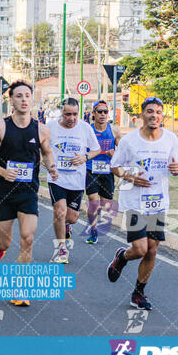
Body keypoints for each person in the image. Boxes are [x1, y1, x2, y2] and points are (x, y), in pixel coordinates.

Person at [0, 80, 58, 307]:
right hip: (4, 191)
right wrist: (1, 170)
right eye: (19, 96)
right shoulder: (0, 127)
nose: (23, 100)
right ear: (11, 100)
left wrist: (51, 166)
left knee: (28, 238)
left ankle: (20, 288)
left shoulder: (41, 129)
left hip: (28, 191)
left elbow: (47, 152)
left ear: (32, 100)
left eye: (27, 96)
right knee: (5, 243)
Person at [107, 96, 178, 311]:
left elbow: (176, 166)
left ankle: (138, 293)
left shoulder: (170, 139)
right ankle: (122, 257)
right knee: (140, 249)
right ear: (141, 115)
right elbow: (115, 167)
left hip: (157, 202)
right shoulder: (130, 141)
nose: (154, 116)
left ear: (163, 116)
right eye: (150, 111)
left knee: (152, 251)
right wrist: (132, 177)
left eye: (158, 112)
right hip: (134, 201)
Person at [47, 98, 100, 264]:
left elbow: (96, 149)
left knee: (72, 217)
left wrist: (85, 157)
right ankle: (61, 249)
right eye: (67, 114)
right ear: (60, 113)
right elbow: (41, 151)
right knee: (60, 212)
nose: (71, 118)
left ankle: (67, 226)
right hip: (57, 178)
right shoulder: (50, 127)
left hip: (77, 179)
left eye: (75, 114)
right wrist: (49, 167)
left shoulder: (84, 128)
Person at [85, 100, 121, 244]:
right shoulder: (88, 130)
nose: (103, 114)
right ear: (94, 113)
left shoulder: (114, 130)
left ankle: (96, 214)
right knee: (93, 201)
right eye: (99, 111)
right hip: (90, 169)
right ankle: (93, 231)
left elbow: (124, 152)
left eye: (105, 111)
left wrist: (115, 155)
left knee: (105, 203)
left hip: (107, 170)